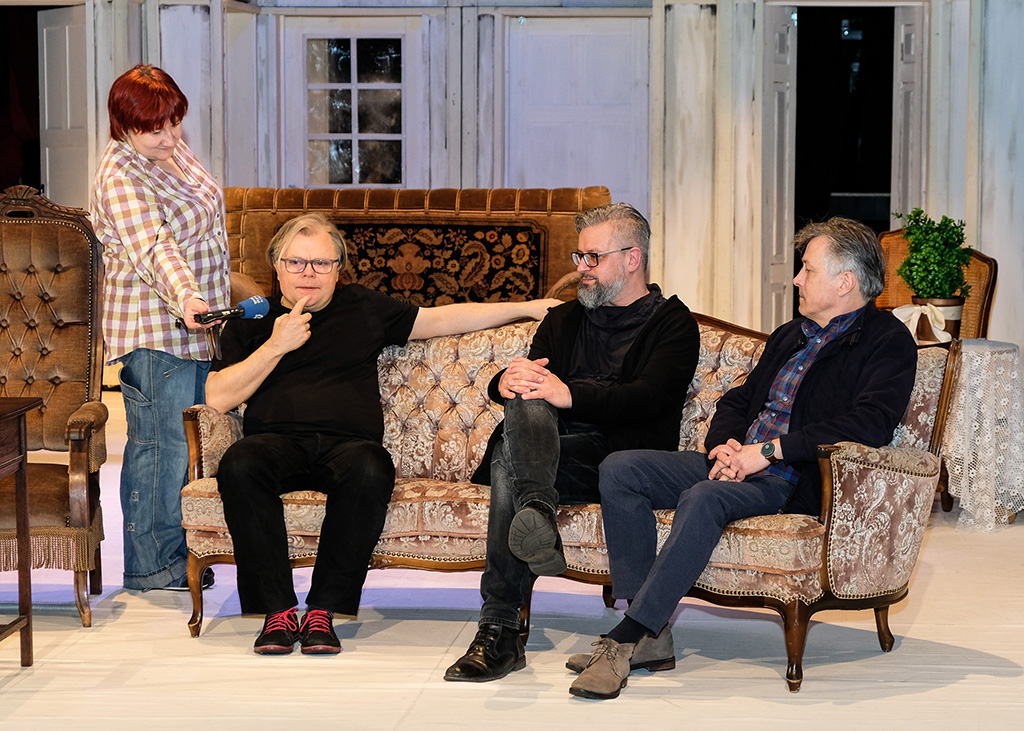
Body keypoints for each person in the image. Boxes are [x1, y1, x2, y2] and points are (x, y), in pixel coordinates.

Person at [567, 217, 919, 699]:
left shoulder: (887, 341)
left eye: (808, 270)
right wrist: (726, 446)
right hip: (741, 460)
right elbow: (739, 400)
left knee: (704, 497)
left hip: (791, 477)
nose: (796, 278)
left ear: (846, 282)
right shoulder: (791, 334)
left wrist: (767, 453)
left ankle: (627, 637)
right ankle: (653, 634)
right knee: (621, 468)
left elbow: (868, 424)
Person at [206, 213, 561, 656]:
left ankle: (322, 611)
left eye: (321, 263)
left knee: (372, 467)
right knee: (239, 464)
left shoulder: (363, 307)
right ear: (276, 266)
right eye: (296, 262)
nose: (308, 273)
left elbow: (440, 319)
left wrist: (527, 306)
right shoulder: (253, 320)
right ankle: (277, 611)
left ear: (338, 268)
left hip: (348, 447)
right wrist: (277, 345)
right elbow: (217, 397)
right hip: (274, 443)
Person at [443, 203, 701, 682]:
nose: (582, 268)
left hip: (619, 461)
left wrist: (570, 395)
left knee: (509, 461)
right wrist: (504, 381)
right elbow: (529, 379)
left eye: (593, 257)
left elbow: (649, 399)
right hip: (552, 455)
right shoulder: (563, 319)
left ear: (632, 259)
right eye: (579, 256)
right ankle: (536, 512)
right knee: (525, 404)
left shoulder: (673, 324)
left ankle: (500, 631)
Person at [92, 65, 230, 591]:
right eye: (156, 129)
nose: (171, 137)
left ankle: (176, 551)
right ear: (124, 126)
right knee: (160, 446)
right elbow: (155, 247)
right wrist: (189, 295)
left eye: (175, 122)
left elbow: (201, 217)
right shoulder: (120, 176)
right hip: (154, 327)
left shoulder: (166, 150)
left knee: (187, 443)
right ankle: (151, 566)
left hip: (195, 325)